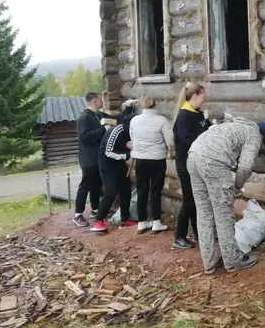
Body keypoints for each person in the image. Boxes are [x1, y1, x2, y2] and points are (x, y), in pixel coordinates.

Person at [187, 116, 265, 274]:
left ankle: (209, 261)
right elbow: (245, 167)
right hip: (212, 161)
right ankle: (233, 260)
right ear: (263, 137)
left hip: (193, 156)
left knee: (204, 212)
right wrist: (237, 186)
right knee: (223, 213)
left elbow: (230, 162)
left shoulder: (233, 126)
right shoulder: (254, 134)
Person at [73, 92, 135, 227]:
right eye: (100, 99)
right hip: (89, 158)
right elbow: (84, 136)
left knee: (97, 185)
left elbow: (118, 119)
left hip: (102, 158)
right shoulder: (84, 118)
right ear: (94, 101)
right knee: (86, 185)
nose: (102, 101)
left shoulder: (100, 115)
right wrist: (103, 130)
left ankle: (95, 210)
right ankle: (78, 214)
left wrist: (128, 108)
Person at [171, 82, 211, 249]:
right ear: (194, 96)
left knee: (196, 200)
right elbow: (188, 141)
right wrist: (205, 130)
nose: (204, 101)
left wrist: (209, 124)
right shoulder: (184, 116)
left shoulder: (197, 114)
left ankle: (198, 233)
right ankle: (179, 236)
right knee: (189, 201)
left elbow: (206, 129)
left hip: (196, 164)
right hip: (185, 164)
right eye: (203, 97)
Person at [129, 96, 173, 234]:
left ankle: (141, 222)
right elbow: (170, 141)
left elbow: (132, 138)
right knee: (155, 191)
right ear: (155, 104)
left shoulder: (134, 120)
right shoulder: (161, 120)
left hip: (140, 159)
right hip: (157, 159)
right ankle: (156, 222)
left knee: (141, 190)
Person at [90, 113, 137, 232]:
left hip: (120, 163)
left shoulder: (134, 131)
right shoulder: (116, 132)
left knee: (126, 189)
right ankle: (99, 220)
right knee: (111, 191)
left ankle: (125, 219)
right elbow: (108, 152)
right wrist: (127, 154)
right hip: (107, 164)